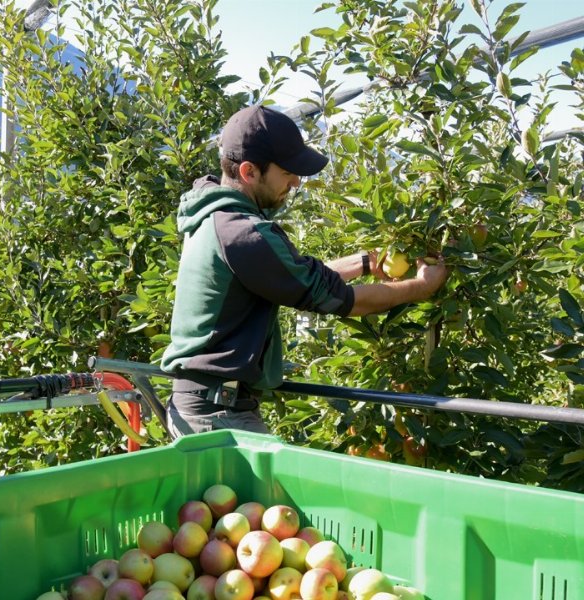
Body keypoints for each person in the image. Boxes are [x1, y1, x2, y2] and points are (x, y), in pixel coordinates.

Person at [160, 105, 449, 437]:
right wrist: (422, 287)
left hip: (203, 404)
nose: (296, 182)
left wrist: (367, 262)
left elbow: (294, 275)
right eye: (287, 173)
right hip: (218, 413)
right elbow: (347, 302)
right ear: (249, 171)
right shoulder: (243, 234)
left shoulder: (214, 217)